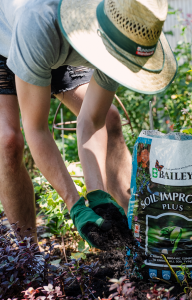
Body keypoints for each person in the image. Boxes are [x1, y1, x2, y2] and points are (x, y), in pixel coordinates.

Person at [0, 0, 177, 247]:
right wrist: (76, 205)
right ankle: (28, 259)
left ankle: (138, 238)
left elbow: (93, 119)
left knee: (110, 118)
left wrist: (97, 196)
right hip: (11, 36)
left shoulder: (127, 30)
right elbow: (36, 128)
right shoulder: (37, 22)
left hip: (64, 39)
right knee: (8, 142)